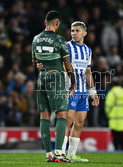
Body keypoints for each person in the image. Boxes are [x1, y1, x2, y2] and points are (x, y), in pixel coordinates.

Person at [32, 10, 76, 163]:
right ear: (57, 23)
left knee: (44, 115)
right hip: (55, 77)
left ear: (45, 23)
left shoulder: (36, 39)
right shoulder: (59, 40)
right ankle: (58, 153)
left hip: (41, 77)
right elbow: (68, 64)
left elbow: (34, 63)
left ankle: (48, 154)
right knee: (61, 115)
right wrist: (73, 81)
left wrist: (39, 65)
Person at [61, 21, 99, 162]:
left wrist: (93, 92)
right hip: (69, 90)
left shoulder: (88, 50)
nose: (74, 33)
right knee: (67, 121)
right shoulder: (66, 46)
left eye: (77, 31)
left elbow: (88, 72)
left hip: (83, 91)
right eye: (72, 30)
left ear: (84, 33)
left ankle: (71, 155)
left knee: (80, 122)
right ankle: (60, 153)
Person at [105, 77, 123, 150]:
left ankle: (117, 151)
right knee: (121, 139)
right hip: (122, 120)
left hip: (113, 120)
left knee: (115, 139)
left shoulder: (112, 93)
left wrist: (107, 115)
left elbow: (107, 107)